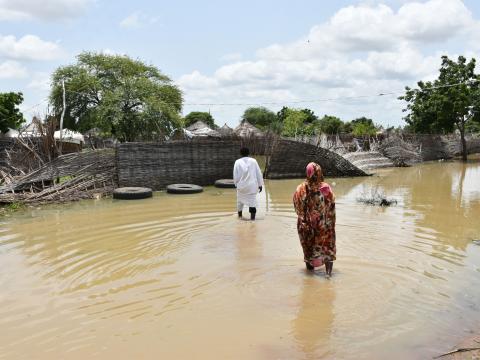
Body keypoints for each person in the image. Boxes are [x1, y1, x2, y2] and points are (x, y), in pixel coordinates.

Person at [293, 162, 336, 277]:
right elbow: (331, 207)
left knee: (309, 251)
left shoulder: (300, 189)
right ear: (319, 173)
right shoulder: (325, 188)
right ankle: (328, 275)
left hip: (305, 226)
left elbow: (297, 209)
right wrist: (330, 224)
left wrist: (306, 219)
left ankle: (310, 277)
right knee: (327, 249)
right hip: (324, 225)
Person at [233, 147, 264, 220]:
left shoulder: (237, 162)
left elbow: (235, 175)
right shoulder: (253, 161)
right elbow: (258, 173)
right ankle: (252, 221)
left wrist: (236, 184)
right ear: (248, 153)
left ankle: (240, 217)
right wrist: (260, 185)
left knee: (239, 203)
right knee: (252, 203)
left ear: (240, 153)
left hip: (241, 186)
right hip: (251, 187)